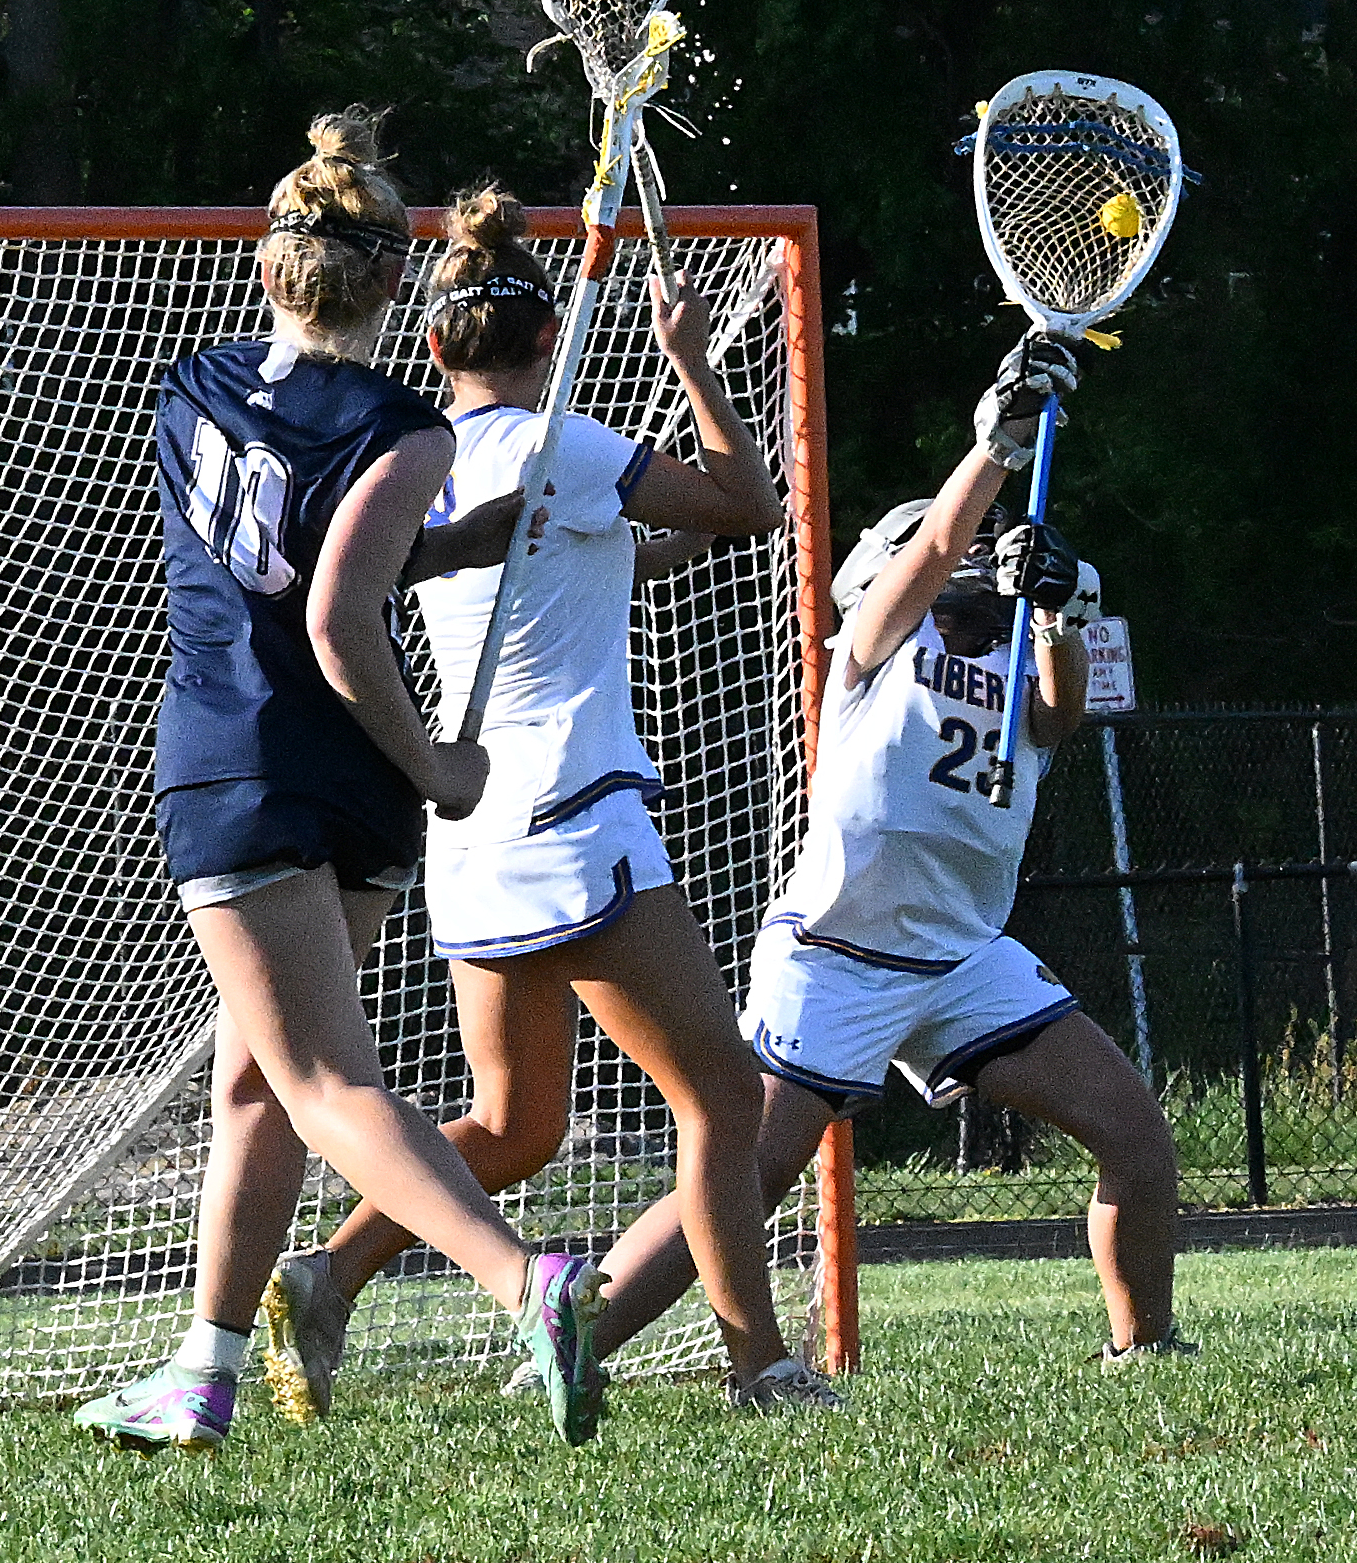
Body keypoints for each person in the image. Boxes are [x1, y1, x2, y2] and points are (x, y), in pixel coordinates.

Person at [257, 189, 839, 1424]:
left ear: (433, 348)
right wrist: (689, 364)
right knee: (726, 1100)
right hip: (577, 818)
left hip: (469, 832)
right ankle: (761, 1369)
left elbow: (633, 542)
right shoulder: (565, 445)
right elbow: (748, 506)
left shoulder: (413, 459)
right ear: (546, 339)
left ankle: (327, 1271)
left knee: (517, 1123)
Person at [74, 112, 606, 1453]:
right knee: (259, 1085)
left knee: (314, 1079)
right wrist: (428, 752)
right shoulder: (403, 428)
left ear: (271, 267)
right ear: (390, 285)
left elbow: (312, 609)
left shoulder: (187, 389)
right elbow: (344, 590)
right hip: (352, 780)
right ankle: (203, 1372)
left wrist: (441, 757)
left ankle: (521, 1281)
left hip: (237, 765)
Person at [529, 332, 1188, 1381]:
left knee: (1135, 1135)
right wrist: (997, 448)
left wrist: (1064, 608)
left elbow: (1060, 719)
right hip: (838, 952)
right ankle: (567, 1345)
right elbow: (928, 558)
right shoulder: (878, 650)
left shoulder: (1019, 652)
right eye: (959, 547)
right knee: (750, 1168)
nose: (978, 558)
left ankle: (1146, 1349)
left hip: (962, 952)